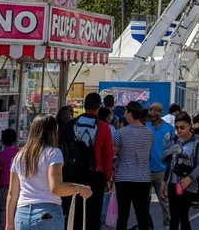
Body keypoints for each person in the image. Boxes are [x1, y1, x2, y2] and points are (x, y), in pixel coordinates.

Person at [7, 114, 92, 230]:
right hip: (47, 213)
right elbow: (56, 187)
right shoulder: (53, 153)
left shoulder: (19, 156)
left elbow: (12, 193)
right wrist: (79, 189)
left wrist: (9, 223)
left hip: (22, 215)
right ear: (52, 132)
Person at [59, 92, 114, 230]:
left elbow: (62, 149)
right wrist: (107, 177)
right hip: (95, 176)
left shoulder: (70, 124)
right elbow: (107, 155)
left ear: (84, 106)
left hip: (71, 175)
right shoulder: (103, 127)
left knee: (73, 213)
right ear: (99, 107)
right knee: (92, 215)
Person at [161, 112, 199, 230]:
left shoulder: (198, 141)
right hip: (173, 182)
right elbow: (169, 163)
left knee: (183, 215)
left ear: (189, 125)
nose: (179, 130)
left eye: (182, 127)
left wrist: (190, 178)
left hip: (188, 184)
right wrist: (164, 182)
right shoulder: (174, 141)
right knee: (174, 216)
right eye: (176, 128)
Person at [113, 101, 153, 230]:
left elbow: (113, 152)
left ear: (130, 114)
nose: (124, 115)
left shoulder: (120, 133)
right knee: (142, 215)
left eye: (125, 112)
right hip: (143, 178)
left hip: (124, 177)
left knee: (123, 215)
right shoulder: (149, 133)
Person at [146, 103, 173, 229]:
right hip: (145, 170)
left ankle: (167, 225)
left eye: (153, 110)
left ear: (160, 112)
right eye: (150, 109)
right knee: (144, 202)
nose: (150, 112)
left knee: (165, 201)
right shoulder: (145, 127)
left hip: (162, 171)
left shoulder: (168, 129)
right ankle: (148, 224)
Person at [0, 127, 17, 230]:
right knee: (16, 211)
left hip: (3, 186)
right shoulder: (19, 153)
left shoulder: (1, 155)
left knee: (4, 211)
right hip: (17, 186)